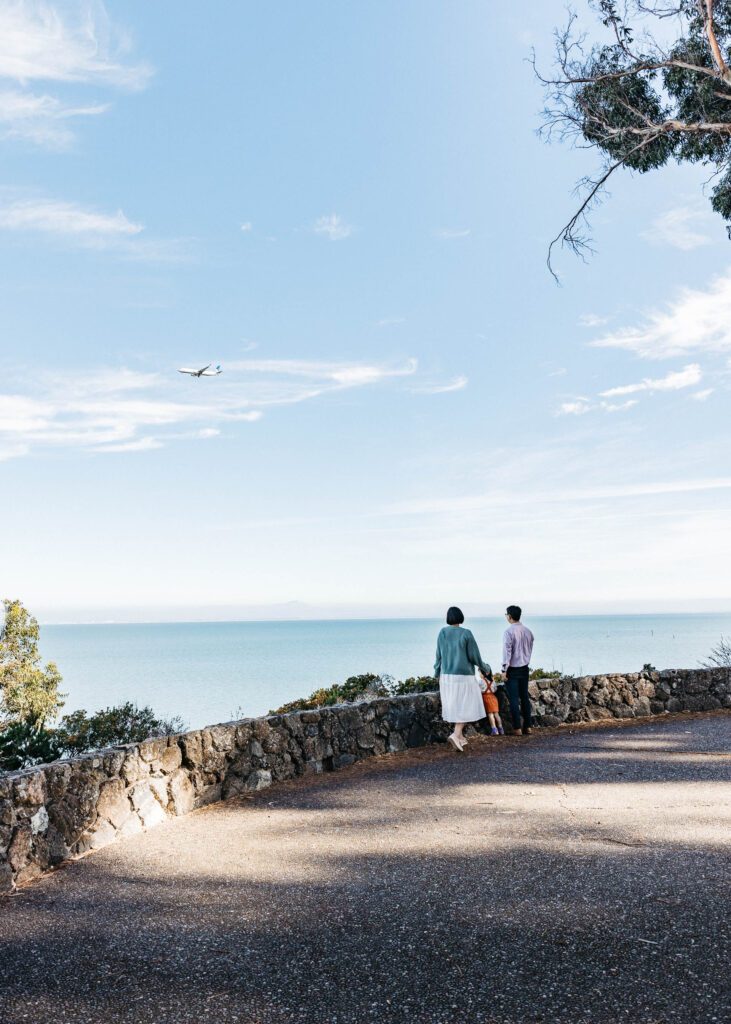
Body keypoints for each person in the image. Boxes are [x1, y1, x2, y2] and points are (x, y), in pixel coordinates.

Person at [434, 606, 492, 752]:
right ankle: (456, 734)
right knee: (467, 705)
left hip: (446, 676)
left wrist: (436, 672)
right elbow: (475, 657)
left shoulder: (442, 632)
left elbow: (438, 655)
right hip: (463, 676)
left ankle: (459, 737)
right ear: (460, 617)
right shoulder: (466, 633)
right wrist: (485, 668)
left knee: (455, 706)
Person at [502, 605, 534, 735]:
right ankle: (528, 726)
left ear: (509, 616)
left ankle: (517, 727)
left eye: (506, 614)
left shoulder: (508, 632)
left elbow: (507, 652)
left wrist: (504, 669)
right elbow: (529, 649)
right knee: (524, 698)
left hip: (513, 669)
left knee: (514, 699)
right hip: (524, 668)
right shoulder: (528, 631)